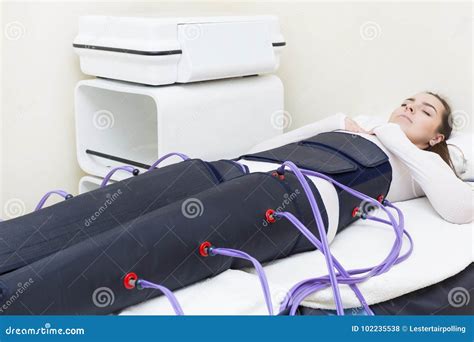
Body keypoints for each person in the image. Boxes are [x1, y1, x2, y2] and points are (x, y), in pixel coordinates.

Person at [241, 92, 473, 226]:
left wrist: (393, 136)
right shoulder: (362, 126)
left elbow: (463, 210)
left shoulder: (422, 163)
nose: (410, 108)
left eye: (426, 111)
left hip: (287, 189)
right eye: (406, 103)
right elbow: (258, 152)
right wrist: (334, 124)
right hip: (245, 168)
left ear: (436, 138)